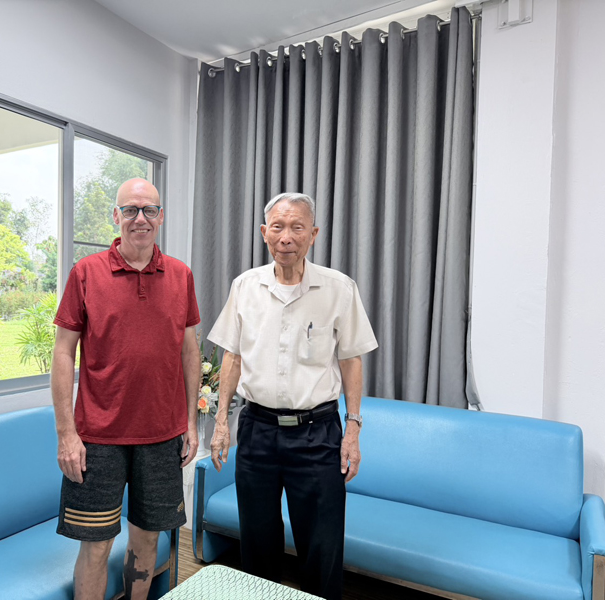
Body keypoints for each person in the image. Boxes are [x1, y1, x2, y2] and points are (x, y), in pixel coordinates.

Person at [207, 192, 378, 600]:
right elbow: (232, 357)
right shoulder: (245, 286)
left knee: (322, 544)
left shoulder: (338, 288)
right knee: (257, 541)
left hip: (317, 433)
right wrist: (221, 424)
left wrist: (353, 429)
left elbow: (351, 360)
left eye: (297, 227)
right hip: (257, 430)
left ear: (313, 234)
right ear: (264, 232)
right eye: (278, 227)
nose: (286, 237)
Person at [51, 178, 201, 600]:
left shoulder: (181, 275)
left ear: (161, 216)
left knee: (148, 539)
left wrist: (191, 423)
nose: (140, 219)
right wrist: (66, 434)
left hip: (162, 436)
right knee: (97, 547)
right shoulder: (86, 273)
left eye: (149, 210)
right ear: (116, 216)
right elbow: (63, 353)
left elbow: (190, 351)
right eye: (131, 210)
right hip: (98, 439)